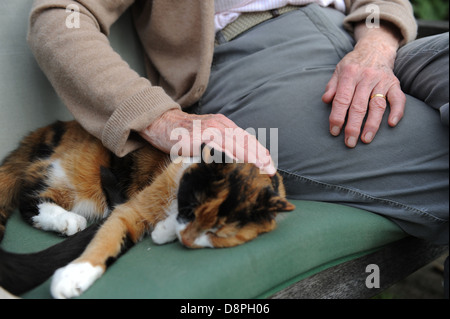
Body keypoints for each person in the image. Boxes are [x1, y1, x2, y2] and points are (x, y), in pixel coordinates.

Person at [27, 0, 448, 248]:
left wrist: (377, 41)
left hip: (369, 42)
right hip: (252, 63)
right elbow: (61, 16)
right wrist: (160, 118)